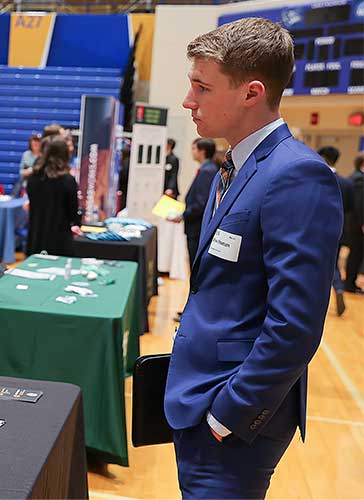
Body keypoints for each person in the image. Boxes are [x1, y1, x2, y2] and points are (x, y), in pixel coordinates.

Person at [164, 18, 342, 499]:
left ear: (251, 93)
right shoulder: (240, 165)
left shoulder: (296, 175)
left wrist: (232, 413)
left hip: (233, 419)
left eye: (202, 87)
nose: (188, 100)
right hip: (199, 397)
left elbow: (296, 324)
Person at [26, 138, 82, 256]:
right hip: (60, 241)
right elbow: (73, 213)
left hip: (35, 238)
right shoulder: (68, 181)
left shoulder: (33, 178)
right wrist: (77, 223)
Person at [168, 138, 218, 267]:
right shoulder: (206, 169)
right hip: (195, 225)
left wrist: (183, 215)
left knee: (195, 264)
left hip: (197, 227)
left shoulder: (207, 171)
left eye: (194, 148)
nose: (192, 152)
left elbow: (202, 203)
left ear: (202, 151)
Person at [318, 146, 354, 315]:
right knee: (333, 261)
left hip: (315, 227)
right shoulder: (346, 183)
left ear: (323, 157)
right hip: (338, 228)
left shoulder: (316, 178)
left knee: (317, 263)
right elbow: (350, 208)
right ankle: (338, 287)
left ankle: (319, 299)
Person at [345, 154, 364, 294]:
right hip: (357, 225)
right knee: (356, 254)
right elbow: (360, 204)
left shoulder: (354, 177)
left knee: (355, 254)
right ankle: (350, 284)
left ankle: (350, 283)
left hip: (354, 223)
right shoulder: (360, 180)